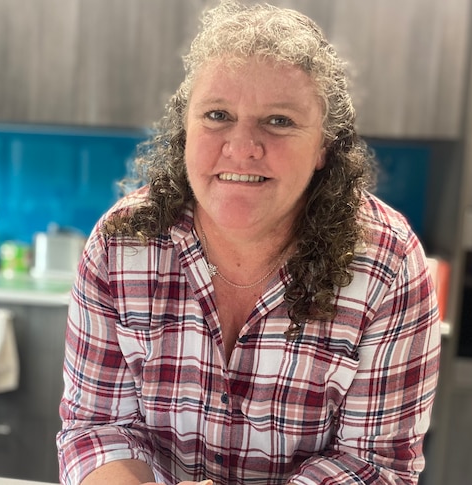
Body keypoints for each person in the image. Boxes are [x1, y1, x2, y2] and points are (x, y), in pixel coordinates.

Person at [56, 1, 441, 484]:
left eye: (279, 120)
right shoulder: (122, 244)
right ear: (185, 129)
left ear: (324, 144)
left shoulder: (388, 262)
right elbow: (96, 427)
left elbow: (374, 465)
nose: (241, 147)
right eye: (217, 114)